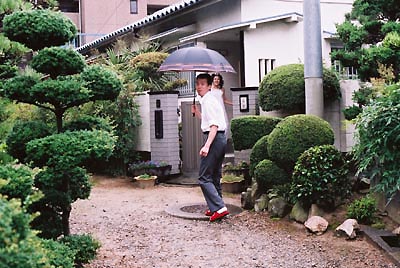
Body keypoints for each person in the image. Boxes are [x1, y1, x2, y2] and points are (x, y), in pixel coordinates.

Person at [191, 73, 229, 222]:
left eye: (202, 84)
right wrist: (197, 113)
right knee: (214, 176)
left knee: (204, 177)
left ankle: (219, 207)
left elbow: (214, 126)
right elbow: (209, 121)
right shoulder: (208, 100)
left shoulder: (208, 101)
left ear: (208, 86)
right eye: (197, 84)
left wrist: (206, 146)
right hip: (219, 139)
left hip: (214, 138)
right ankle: (217, 207)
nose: (199, 87)